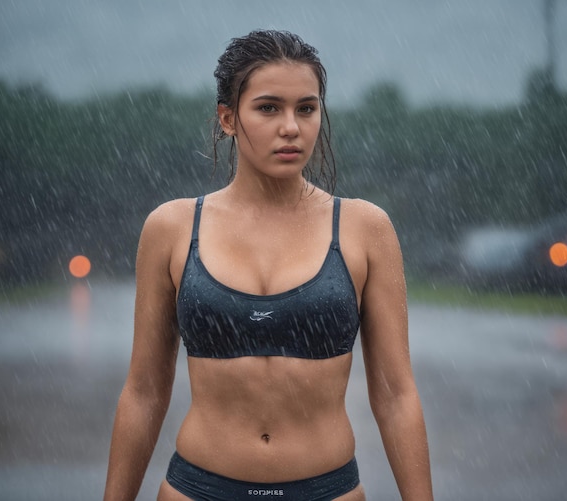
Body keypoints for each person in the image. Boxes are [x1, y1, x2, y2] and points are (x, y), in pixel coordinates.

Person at [103, 30, 433, 501]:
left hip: (328, 491)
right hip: (196, 490)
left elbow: (396, 395)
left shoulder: (364, 228)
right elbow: (144, 392)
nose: (291, 127)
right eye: (268, 107)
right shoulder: (173, 227)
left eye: (306, 108)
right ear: (228, 118)